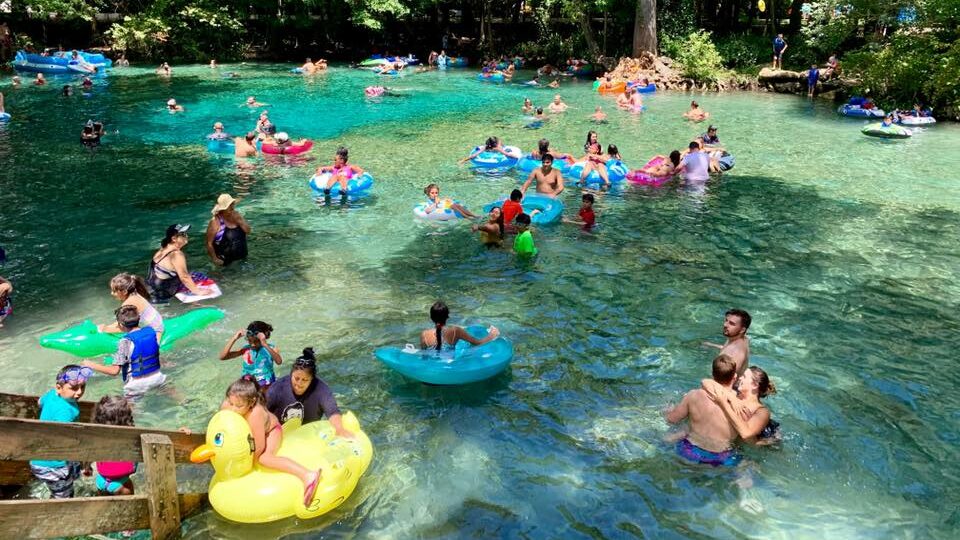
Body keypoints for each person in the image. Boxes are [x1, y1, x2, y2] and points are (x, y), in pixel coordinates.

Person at [221, 377, 321, 506]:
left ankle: (308, 475)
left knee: (264, 458)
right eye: (231, 403)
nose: (233, 409)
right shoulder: (228, 405)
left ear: (251, 402)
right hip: (249, 435)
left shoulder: (255, 414)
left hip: (271, 432)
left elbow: (259, 447)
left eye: (239, 406)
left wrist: (244, 463)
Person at [665, 354, 741, 466]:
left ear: (712, 374)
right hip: (721, 458)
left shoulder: (693, 395)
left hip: (689, 452)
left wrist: (668, 410)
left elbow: (671, 420)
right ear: (734, 377)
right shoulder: (739, 404)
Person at [29, 365, 90, 498]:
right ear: (59, 387)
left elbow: (40, 402)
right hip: (53, 465)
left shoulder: (52, 394)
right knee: (64, 497)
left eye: (82, 387)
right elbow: (65, 440)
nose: (79, 392)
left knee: (68, 480)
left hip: (39, 459)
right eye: (73, 388)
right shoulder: (65, 412)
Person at [266, 348, 354, 437]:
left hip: (308, 436)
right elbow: (263, 411)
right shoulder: (278, 388)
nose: (299, 383)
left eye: (305, 380)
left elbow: (332, 412)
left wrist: (339, 429)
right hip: (280, 435)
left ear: (312, 379)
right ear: (291, 374)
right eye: (296, 378)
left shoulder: (321, 389)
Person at [84, 306, 167, 397]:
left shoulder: (125, 342)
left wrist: (91, 364)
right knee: (171, 391)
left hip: (136, 385)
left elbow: (114, 371)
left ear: (121, 325)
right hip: (157, 377)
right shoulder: (151, 332)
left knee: (126, 409)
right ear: (138, 319)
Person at [701, 365, 780, 445]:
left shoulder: (762, 412)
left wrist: (723, 404)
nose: (740, 378)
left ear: (754, 385)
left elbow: (746, 434)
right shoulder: (734, 394)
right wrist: (732, 398)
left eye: (744, 377)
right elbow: (705, 382)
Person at [146, 224, 214, 303]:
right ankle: (196, 304)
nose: (186, 236)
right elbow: (184, 277)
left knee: (192, 275)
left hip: (152, 291)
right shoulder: (177, 254)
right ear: (174, 238)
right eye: (183, 234)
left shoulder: (163, 249)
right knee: (199, 279)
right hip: (164, 296)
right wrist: (198, 291)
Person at [92, 396, 137, 496]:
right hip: (122, 484)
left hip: (100, 481)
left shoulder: (98, 437)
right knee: (129, 510)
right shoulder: (128, 440)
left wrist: (86, 468)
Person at [98, 273, 164, 341]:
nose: (112, 293)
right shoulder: (134, 293)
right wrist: (108, 327)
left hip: (155, 330)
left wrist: (105, 329)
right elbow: (122, 322)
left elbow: (126, 328)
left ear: (124, 292)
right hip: (156, 322)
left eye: (114, 291)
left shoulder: (129, 303)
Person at [219, 321, 282, 390]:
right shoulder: (246, 349)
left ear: (264, 337)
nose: (253, 344)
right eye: (250, 341)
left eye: (256, 341)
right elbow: (223, 357)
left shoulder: (271, 348)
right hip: (248, 386)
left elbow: (279, 361)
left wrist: (265, 344)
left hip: (266, 385)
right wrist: (234, 338)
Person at [419, 301, 500, 350]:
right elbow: (477, 343)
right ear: (447, 316)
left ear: (431, 317)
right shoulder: (455, 331)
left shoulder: (424, 334)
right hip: (449, 366)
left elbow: (424, 355)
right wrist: (492, 334)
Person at [702, 308, 751, 376]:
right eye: (726, 320)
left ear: (742, 330)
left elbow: (726, 382)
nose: (725, 325)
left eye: (732, 323)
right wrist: (711, 345)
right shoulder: (742, 338)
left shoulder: (735, 354)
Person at [206, 193, 250, 266]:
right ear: (223, 209)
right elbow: (209, 243)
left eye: (233, 204)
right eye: (230, 206)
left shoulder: (237, 215)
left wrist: (240, 221)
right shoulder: (215, 222)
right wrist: (215, 259)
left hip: (243, 257)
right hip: (225, 262)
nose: (233, 207)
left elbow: (248, 231)